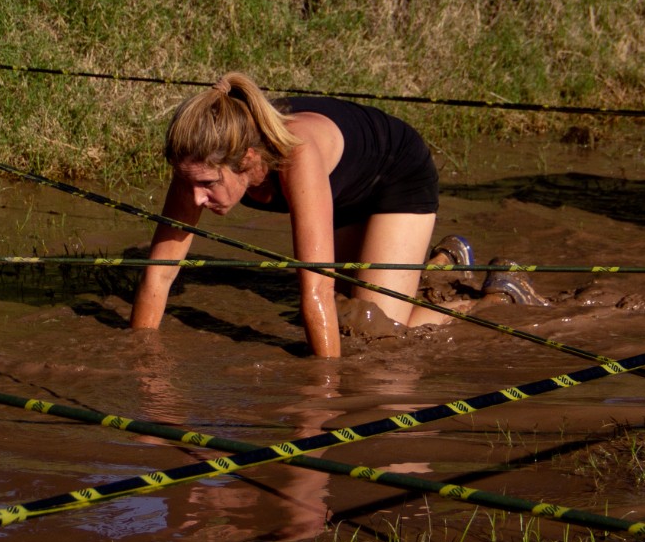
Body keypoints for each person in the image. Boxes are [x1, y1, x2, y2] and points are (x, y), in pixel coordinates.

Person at [129, 74, 539, 358]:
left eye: (207, 185)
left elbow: (314, 292)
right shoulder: (197, 164)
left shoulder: (296, 156)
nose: (196, 198)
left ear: (248, 159)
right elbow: (159, 275)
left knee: (376, 332)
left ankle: (496, 297)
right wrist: (141, 362)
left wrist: (323, 395)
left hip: (395, 176)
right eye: (189, 184)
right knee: (348, 310)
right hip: (343, 190)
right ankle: (442, 262)